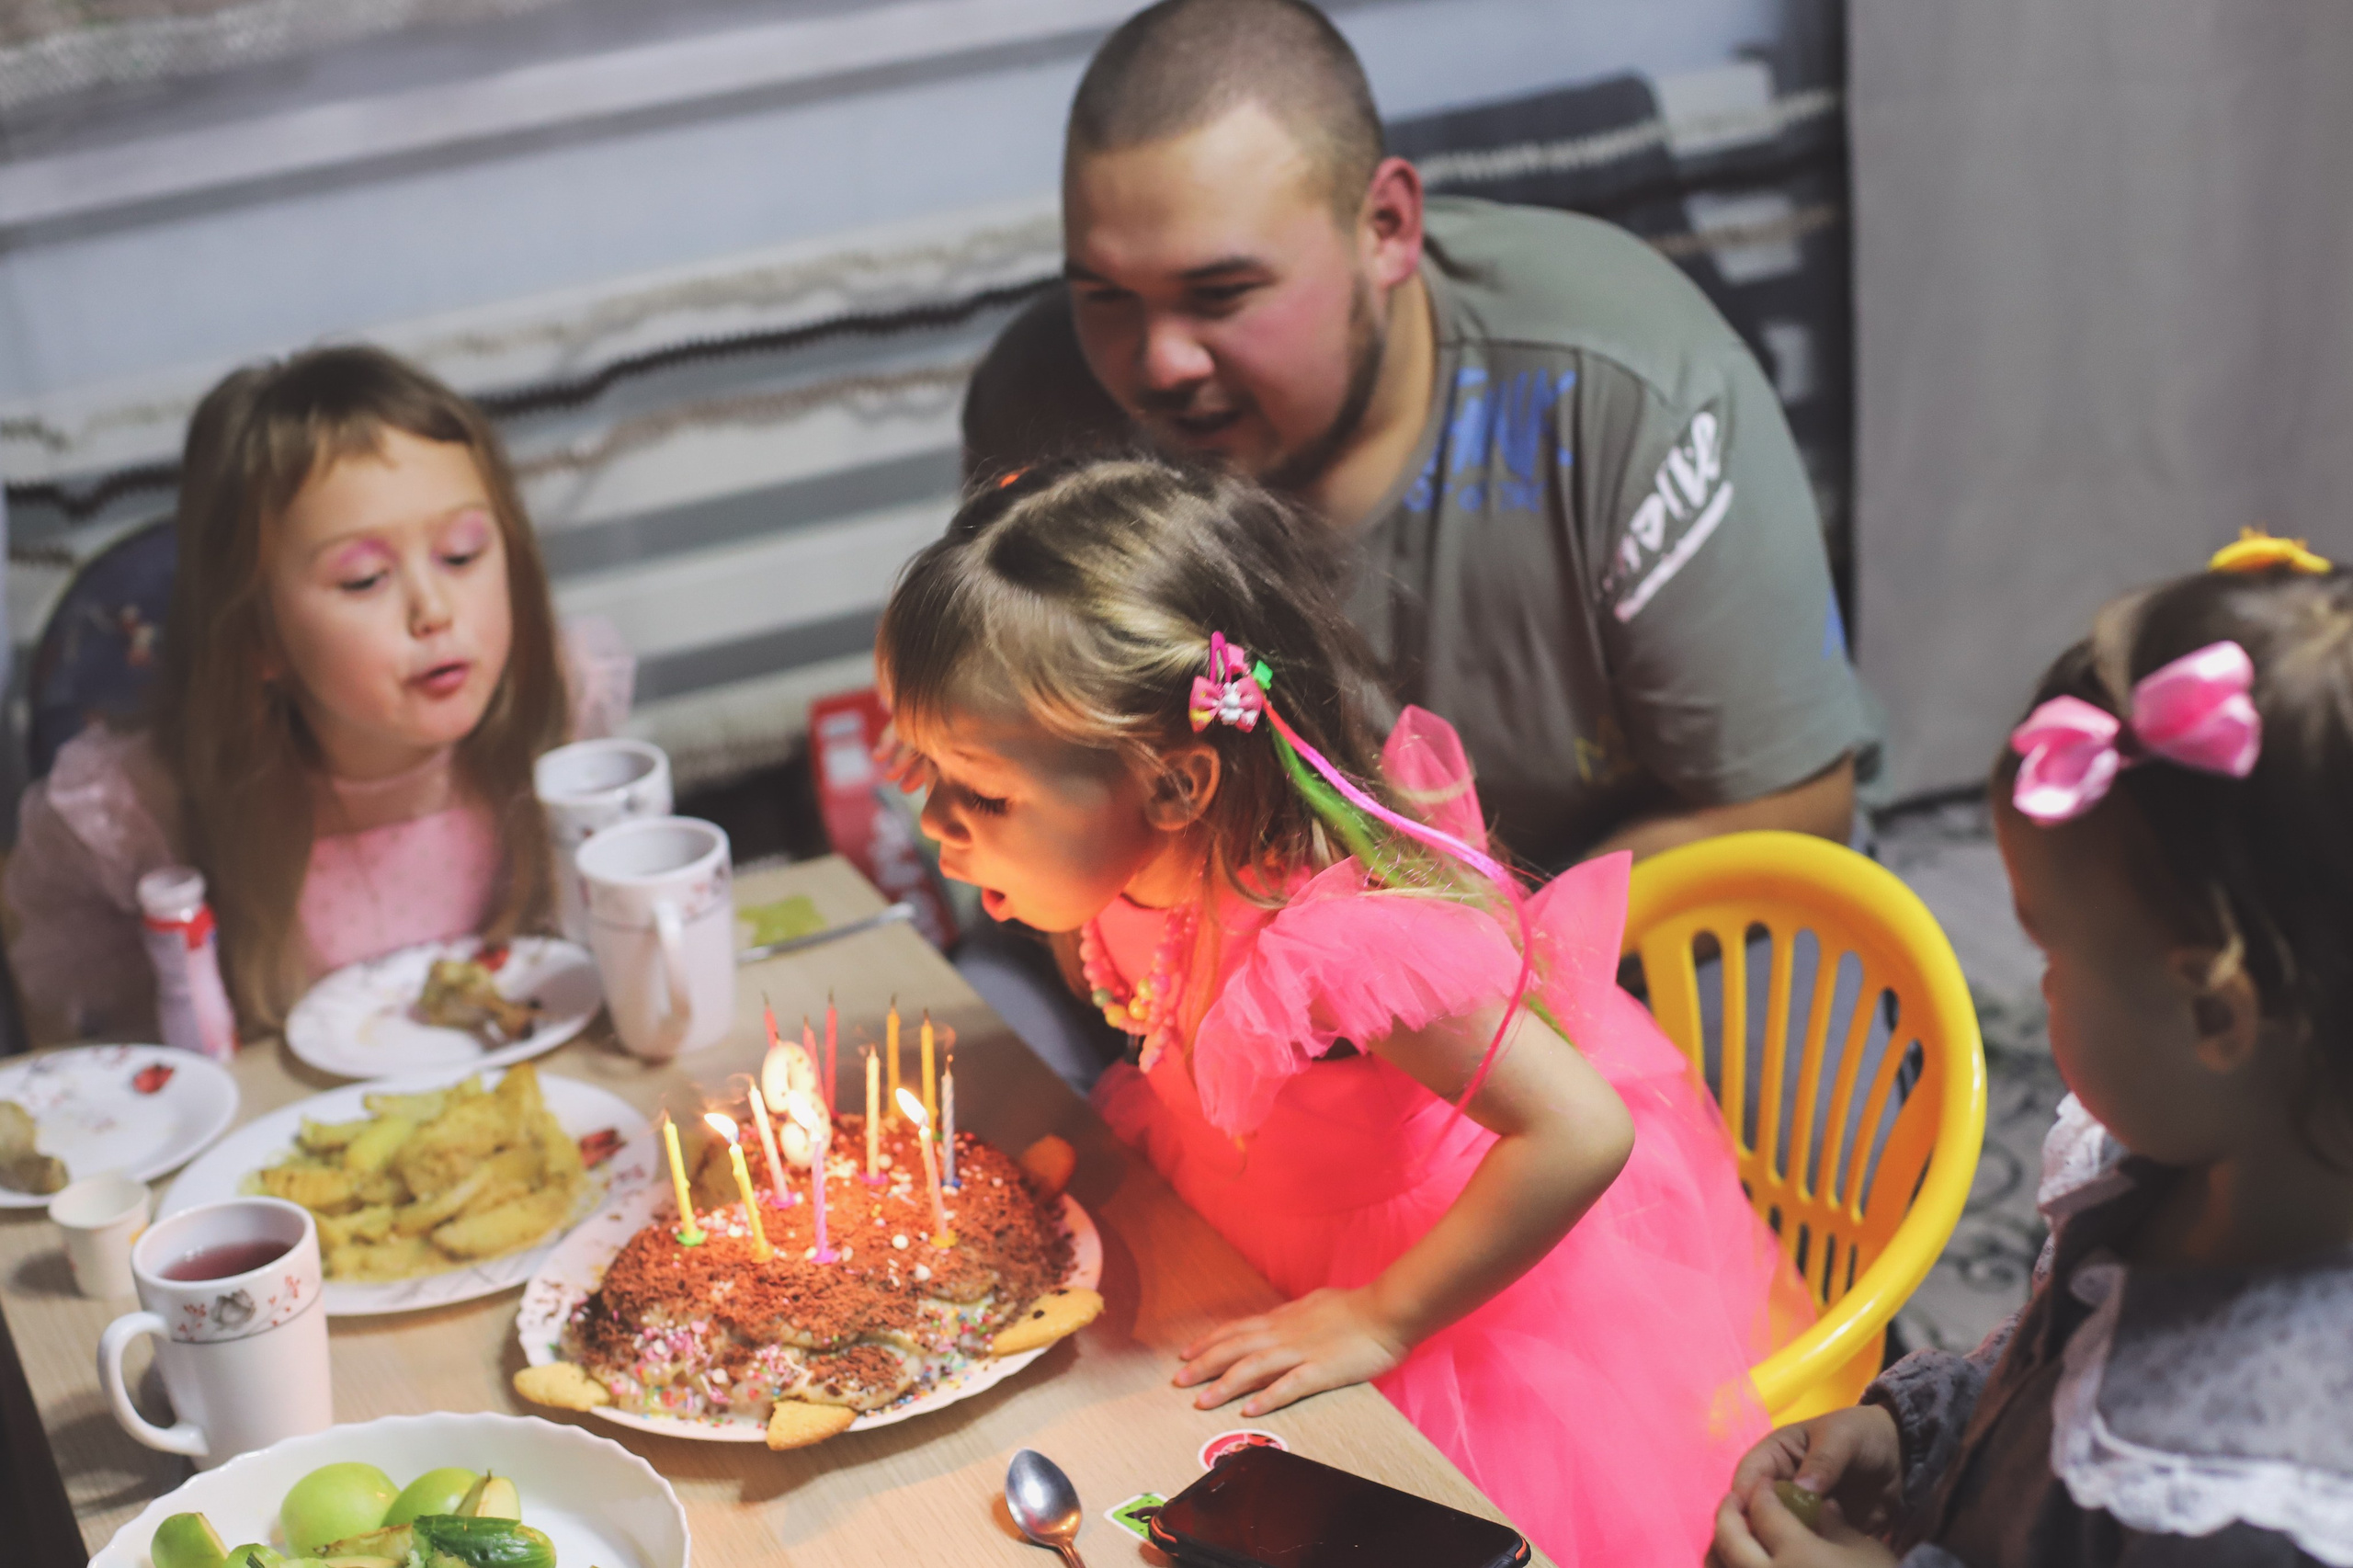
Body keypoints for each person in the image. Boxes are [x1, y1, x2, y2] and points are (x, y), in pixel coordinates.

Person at [878, 454, 1807, 1567]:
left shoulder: (1350, 944)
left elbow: (1581, 1128)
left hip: (1453, 1286)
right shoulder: (1136, 866)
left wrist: (1383, 1315)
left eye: (981, 790)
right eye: (923, 769)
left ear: (1177, 783)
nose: (934, 821)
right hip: (1252, 1224)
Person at [963, 0, 1870, 871]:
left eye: (1219, 294)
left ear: (1386, 228)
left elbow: (1792, 799)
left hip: (1622, 927)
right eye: (1104, 296)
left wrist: (1471, 973)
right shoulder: (1044, 415)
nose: (1158, 364)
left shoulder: (1623, 388)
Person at [1711, 536, 2353, 1568]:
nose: (2035, 986)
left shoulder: (2260, 1491)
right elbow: (2046, 1388)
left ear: (2215, 1014)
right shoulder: (2173, 1163)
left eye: (2052, 952)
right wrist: (1912, 1437)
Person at [6, 346, 632, 1042]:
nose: (434, 609)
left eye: (462, 553)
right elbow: (87, 1048)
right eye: (364, 579)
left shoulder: (562, 708)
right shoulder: (142, 809)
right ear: (257, 637)